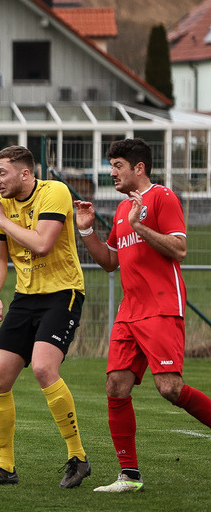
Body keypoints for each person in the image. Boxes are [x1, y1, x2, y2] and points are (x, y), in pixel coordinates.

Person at [75, 138, 211, 492]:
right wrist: (87, 229)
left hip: (162, 307)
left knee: (169, 388)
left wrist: (140, 227)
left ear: (139, 168)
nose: (111, 172)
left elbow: (179, 249)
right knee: (116, 387)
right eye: (111, 165)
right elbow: (109, 262)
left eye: (117, 165)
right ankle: (129, 476)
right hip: (130, 311)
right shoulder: (122, 210)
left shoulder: (162, 197)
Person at [0, 145, 89, 489]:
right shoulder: (1, 208)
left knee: (44, 368)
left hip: (63, 292)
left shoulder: (54, 191)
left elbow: (42, 244)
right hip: (25, 297)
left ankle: (78, 457)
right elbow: (0, 260)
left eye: (2, 173)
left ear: (25, 173)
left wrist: (0, 219)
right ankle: (5, 467)